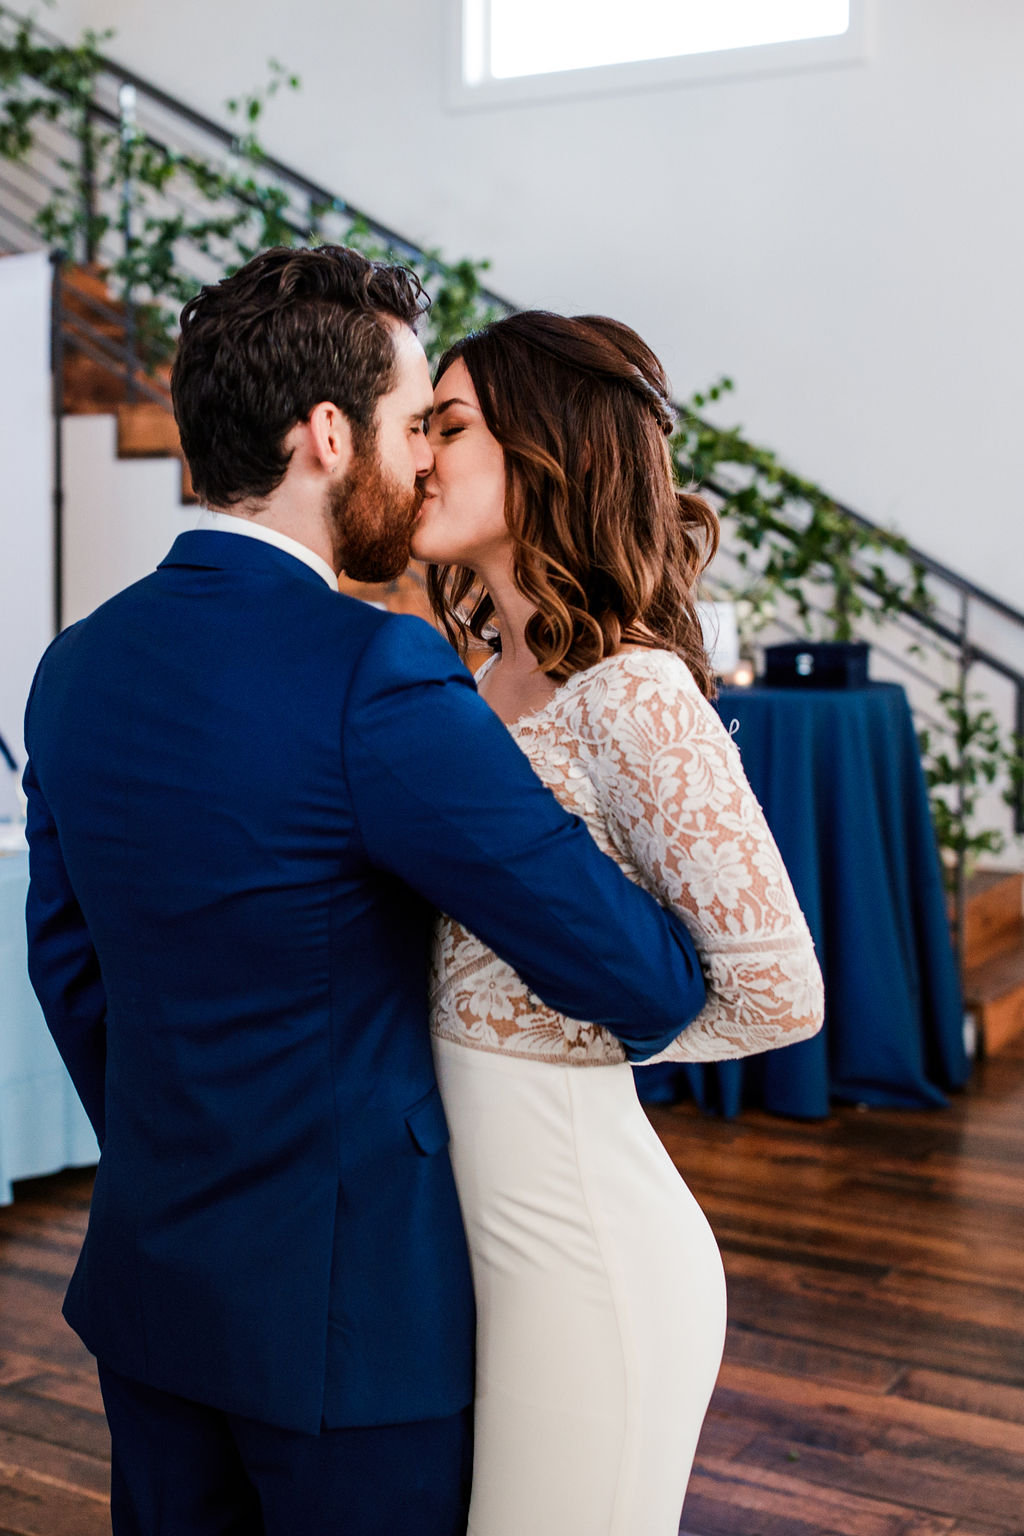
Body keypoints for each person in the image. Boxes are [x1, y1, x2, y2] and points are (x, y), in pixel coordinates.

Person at [22, 249, 712, 1536]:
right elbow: (642, 978)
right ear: (328, 435)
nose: (423, 464)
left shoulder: (75, 667)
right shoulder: (375, 674)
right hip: (352, 1334)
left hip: (152, 1292)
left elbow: (67, 970)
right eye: (411, 426)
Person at [412, 309, 826, 1536]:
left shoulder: (631, 689)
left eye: (450, 425)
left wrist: (566, 1037)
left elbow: (780, 992)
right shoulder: (490, 676)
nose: (421, 455)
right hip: (477, 1245)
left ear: (552, 449)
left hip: (585, 1255)